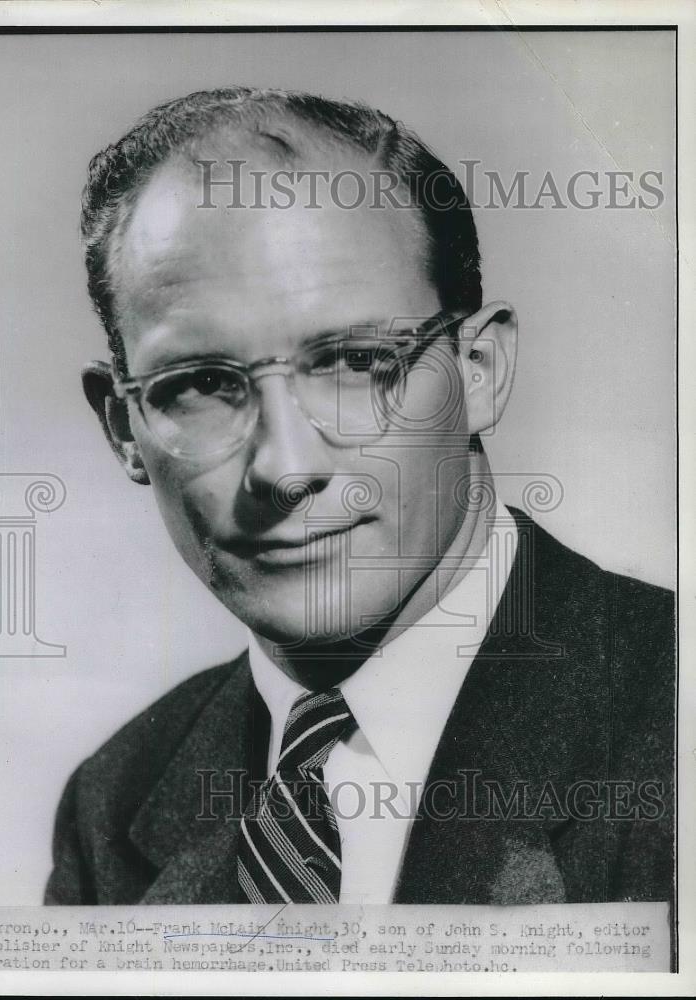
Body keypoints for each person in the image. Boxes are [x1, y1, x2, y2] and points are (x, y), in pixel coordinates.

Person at [45, 87, 674, 907]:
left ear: (478, 373)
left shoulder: (672, 716)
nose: (284, 466)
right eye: (200, 383)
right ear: (124, 427)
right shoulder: (115, 803)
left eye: (354, 363)